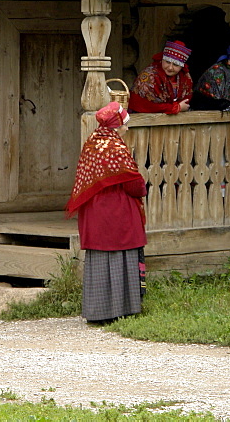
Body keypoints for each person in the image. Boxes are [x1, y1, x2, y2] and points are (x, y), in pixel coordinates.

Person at [66, 101, 147, 323]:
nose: (127, 128)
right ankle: (124, 308)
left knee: (100, 258)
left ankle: (98, 311)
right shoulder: (116, 149)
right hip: (117, 211)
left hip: (94, 212)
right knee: (121, 254)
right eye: (125, 123)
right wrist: (142, 188)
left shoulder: (92, 142)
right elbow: (134, 184)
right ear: (116, 125)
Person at [128, 40, 193, 114]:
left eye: (176, 65)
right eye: (167, 62)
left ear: (182, 66)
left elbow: (186, 100)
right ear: (162, 60)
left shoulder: (185, 78)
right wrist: (176, 107)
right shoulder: (150, 76)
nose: (170, 68)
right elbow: (146, 105)